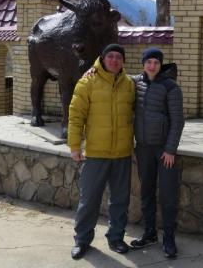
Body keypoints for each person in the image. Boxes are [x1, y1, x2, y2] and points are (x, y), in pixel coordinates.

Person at [67, 43, 135, 260]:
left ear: (123, 61)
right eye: (110, 56)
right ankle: (82, 240)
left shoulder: (130, 84)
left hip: (122, 153)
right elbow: (76, 116)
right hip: (96, 153)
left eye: (118, 57)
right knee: (89, 200)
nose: (114, 60)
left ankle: (116, 238)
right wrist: (75, 146)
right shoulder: (87, 82)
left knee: (120, 200)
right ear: (103, 59)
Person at [129, 47, 184, 259]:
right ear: (143, 63)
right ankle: (150, 232)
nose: (152, 66)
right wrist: (92, 71)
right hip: (143, 147)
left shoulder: (170, 87)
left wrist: (170, 150)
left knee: (168, 193)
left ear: (161, 65)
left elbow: (177, 121)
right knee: (146, 191)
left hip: (164, 150)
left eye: (156, 62)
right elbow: (114, 75)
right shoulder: (136, 83)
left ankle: (169, 236)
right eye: (148, 62)